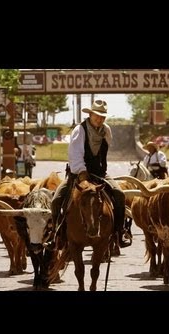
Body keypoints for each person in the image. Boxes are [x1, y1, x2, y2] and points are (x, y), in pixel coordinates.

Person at [50, 99, 131, 248]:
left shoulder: (106, 130)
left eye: (102, 116)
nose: (99, 119)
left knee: (119, 194)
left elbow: (101, 153)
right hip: (78, 174)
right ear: (91, 114)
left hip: (100, 174)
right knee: (56, 199)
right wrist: (82, 173)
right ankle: (56, 234)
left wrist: (99, 171)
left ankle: (119, 232)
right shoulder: (79, 130)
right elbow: (75, 155)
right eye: (97, 115)